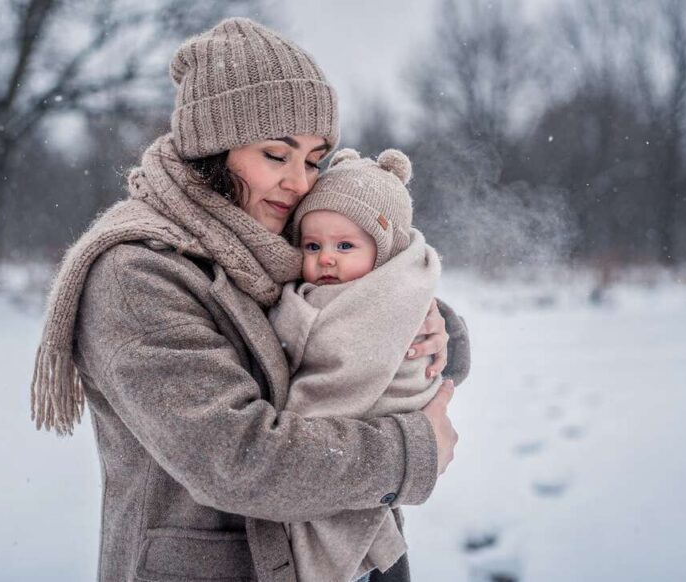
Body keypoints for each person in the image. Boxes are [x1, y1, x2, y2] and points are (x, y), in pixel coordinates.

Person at [29, 18, 470, 582]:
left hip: (356, 558)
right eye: (275, 154)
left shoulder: (281, 244)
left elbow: (364, 333)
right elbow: (238, 459)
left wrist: (433, 329)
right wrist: (409, 453)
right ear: (213, 150)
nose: (300, 182)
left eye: (314, 159)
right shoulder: (135, 273)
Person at [269, 148, 444, 582]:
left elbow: (357, 365)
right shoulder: (308, 295)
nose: (326, 258)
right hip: (346, 470)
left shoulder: (387, 302)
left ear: (383, 254)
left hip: (354, 464)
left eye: (345, 245)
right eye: (313, 245)